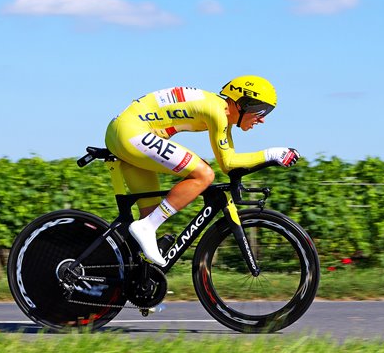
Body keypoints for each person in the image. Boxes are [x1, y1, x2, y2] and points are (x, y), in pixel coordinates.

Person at [105, 75, 299, 266]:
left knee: (150, 214)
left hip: (124, 132)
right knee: (204, 174)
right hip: (131, 133)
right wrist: (273, 154)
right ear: (243, 103)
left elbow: (228, 163)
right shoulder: (217, 112)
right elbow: (229, 163)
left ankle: (128, 276)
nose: (262, 119)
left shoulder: (218, 111)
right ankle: (147, 227)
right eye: (261, 111)